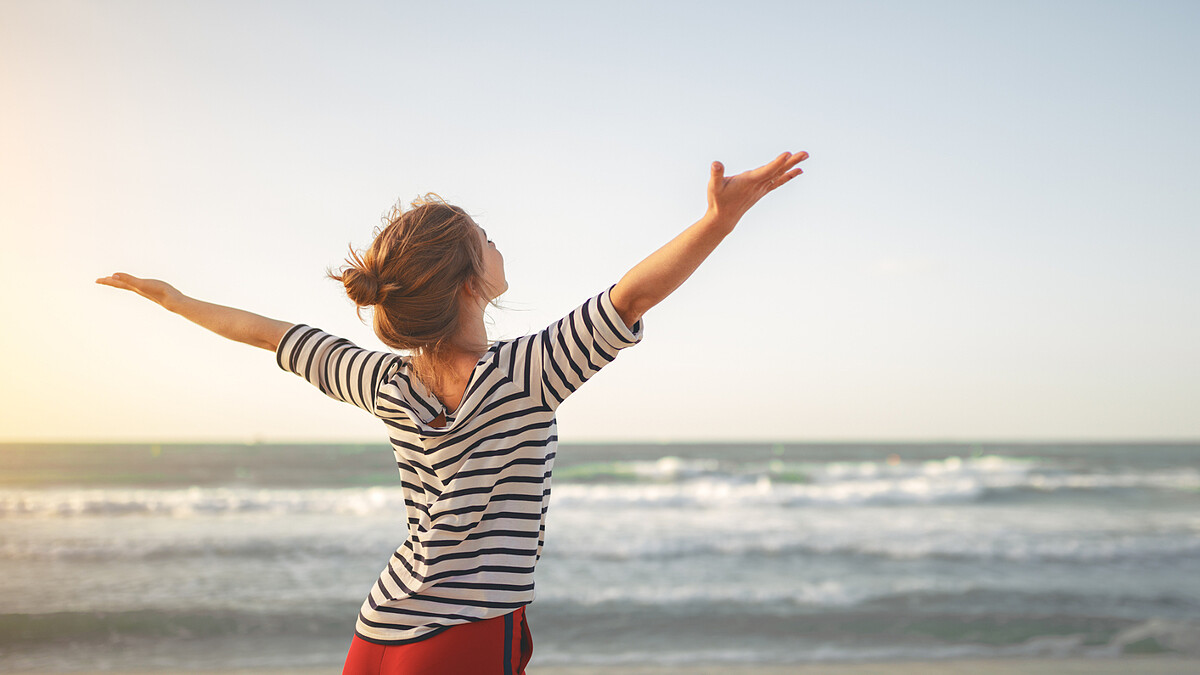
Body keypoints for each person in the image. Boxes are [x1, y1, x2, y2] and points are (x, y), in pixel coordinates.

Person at [95, 150, 808, 674]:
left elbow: (272, 335)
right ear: (470, 280)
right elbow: (631, 296)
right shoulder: (527, 373)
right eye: (487, 240)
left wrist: (176, 300)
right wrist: (719, 218)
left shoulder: (381, 381)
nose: (499, 246)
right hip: (465, 633)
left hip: (376, 631)